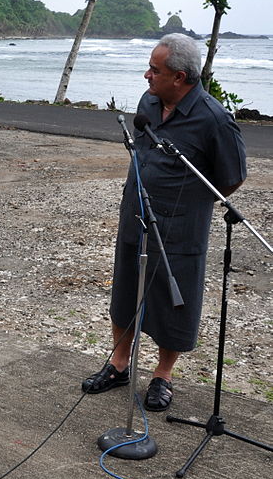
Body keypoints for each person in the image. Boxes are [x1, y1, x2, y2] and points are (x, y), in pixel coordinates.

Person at [82, 34, 247, 411]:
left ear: (180, 77)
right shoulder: (149, 102)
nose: (146, 76)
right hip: (135, 214)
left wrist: (187, 200)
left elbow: (232, 175)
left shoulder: (214, 120)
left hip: (181, 226)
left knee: (175, 300)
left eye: (155, 71)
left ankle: (163, 376)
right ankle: (120, 364)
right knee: (126, 289)